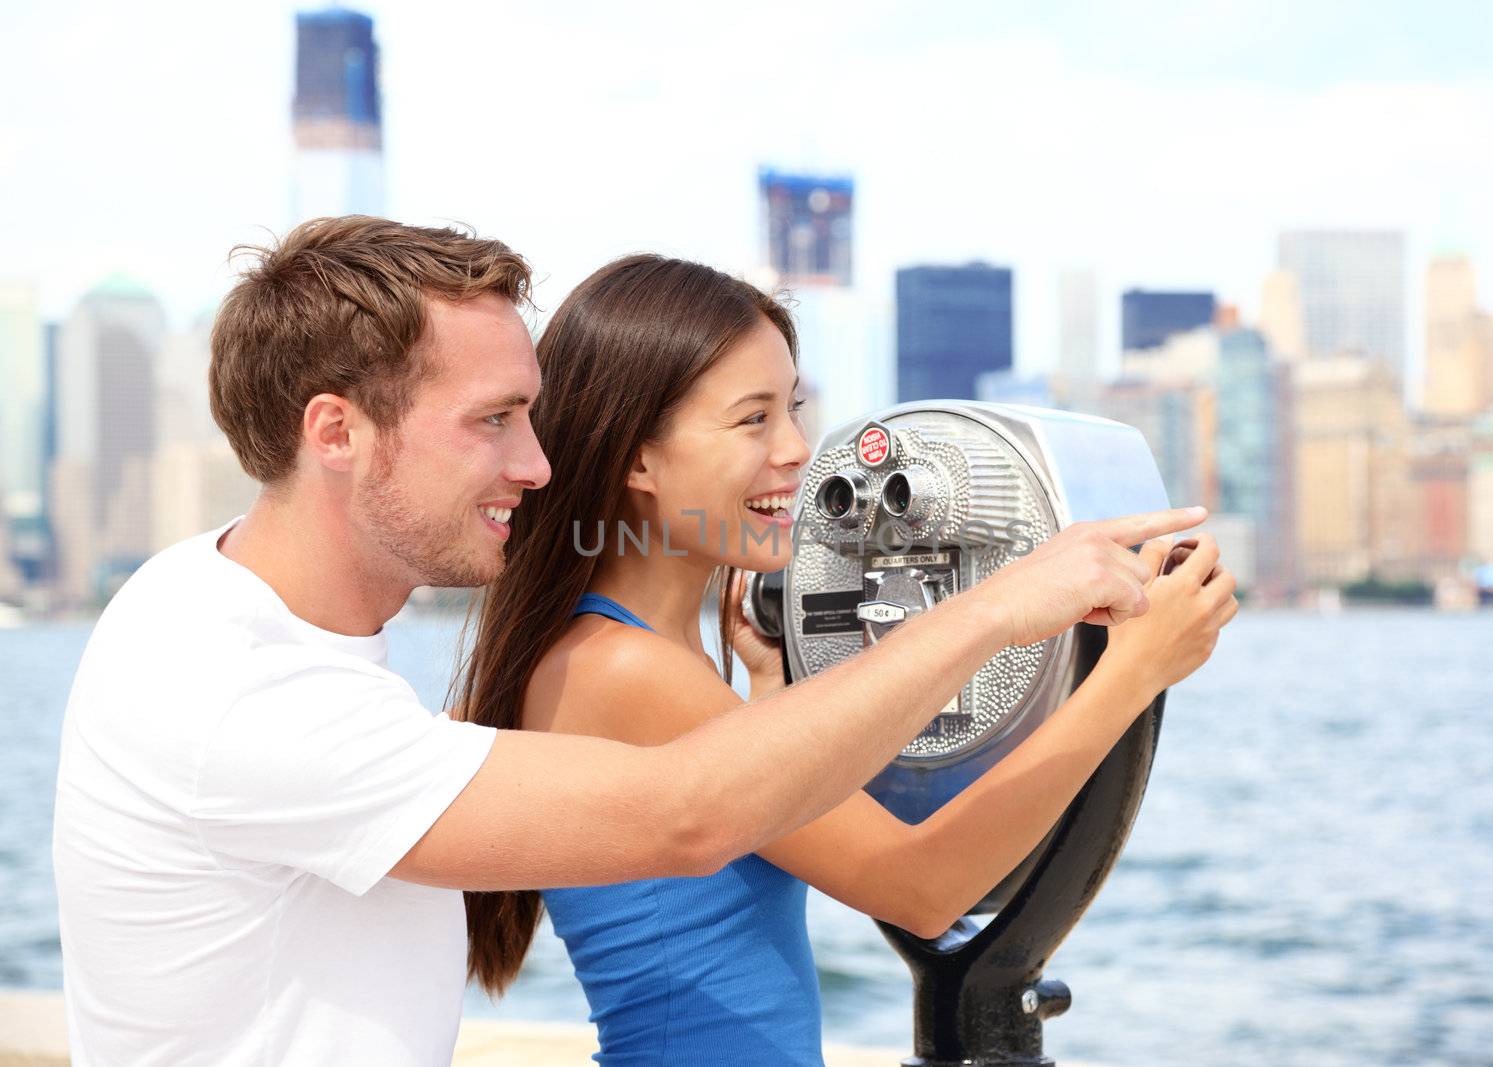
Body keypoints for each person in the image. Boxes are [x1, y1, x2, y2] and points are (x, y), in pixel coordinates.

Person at [49, 219, 1208, 1067]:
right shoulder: (246, 690)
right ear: (337, 432)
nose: (537, 464)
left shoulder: (207, 607)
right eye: (495, 421)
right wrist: (1061, 639)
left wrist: (778, 706)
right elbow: (797, 845)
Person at [459, 254, 1237, 1064]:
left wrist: (767, 692)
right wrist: (1134, 670)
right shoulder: (619, 669)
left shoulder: (644, 658)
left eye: (792, 409)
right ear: (639, 459)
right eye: (752, 419)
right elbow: (924, 889)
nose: (798, 449)